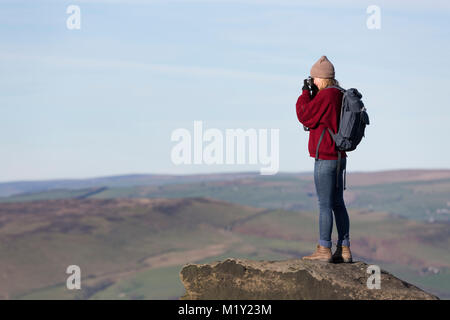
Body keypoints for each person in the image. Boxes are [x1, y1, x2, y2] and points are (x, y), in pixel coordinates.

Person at [295, 55, 352, 263]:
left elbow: (305, 115)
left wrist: (304, 93)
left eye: (314, 78)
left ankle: (324, 248)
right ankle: (344, 249)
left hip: (325, 157)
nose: (313, 82)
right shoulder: (340, 94)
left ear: (321, 78)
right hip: (339, 157)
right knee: (338, 203)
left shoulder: (325, 96)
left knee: (324, 204)